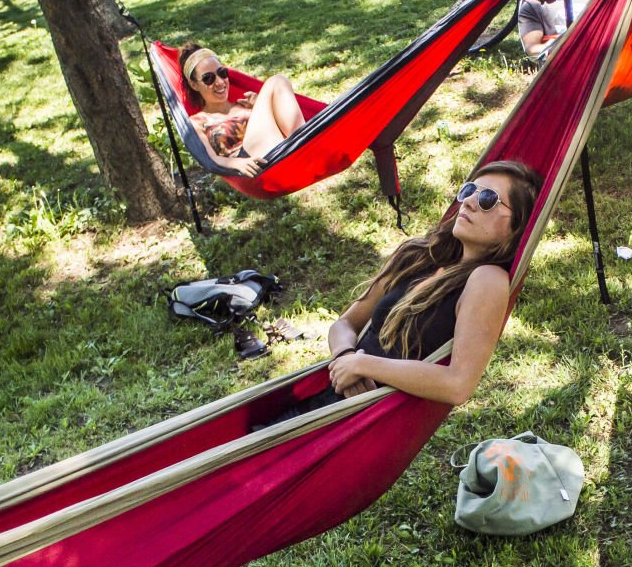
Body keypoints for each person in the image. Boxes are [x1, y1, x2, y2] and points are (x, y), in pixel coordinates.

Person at [266, 160, 541, 423]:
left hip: (360, 421)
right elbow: (346, 322)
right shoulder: (418, 255)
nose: (469, 202)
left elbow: (458, 384)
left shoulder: (487, 279)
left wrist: (364, 366)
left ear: (516, 228)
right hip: (323, 401)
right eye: (469, 190)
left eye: (488, 199)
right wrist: (345, 358)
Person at [177, 42, 308, 178]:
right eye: (208, 78)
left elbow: (280, 128)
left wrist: (261, 107)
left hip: (280, 150)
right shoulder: (197, 122)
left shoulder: (244, 105)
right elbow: (210, 160)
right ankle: (306, 146)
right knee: (276, 81)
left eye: (222, 73)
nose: (220, 82)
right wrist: (236, 163)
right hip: (250, 164)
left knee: (279, 83)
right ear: (194, 85)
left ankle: (306, 146)